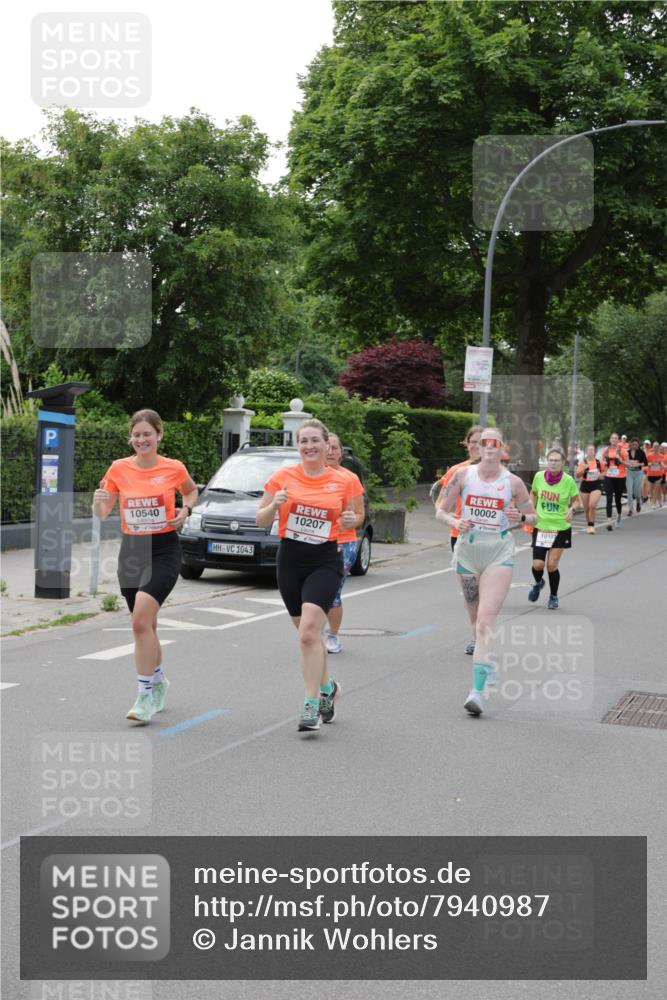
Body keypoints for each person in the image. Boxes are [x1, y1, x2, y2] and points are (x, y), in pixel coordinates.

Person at [92, 409, 198, 723]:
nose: (141, 440)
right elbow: (102, 511)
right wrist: (98, 500)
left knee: (140, 622)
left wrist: (185, 510)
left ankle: (144, 696)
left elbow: (191, 490)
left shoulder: (173, 467)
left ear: (159, 435)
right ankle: (159, 679)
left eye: (147, 434)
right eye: (136, 435)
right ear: (131, 438)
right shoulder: (118, 468)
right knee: (146, 626)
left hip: (164, 550)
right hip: (132, 551)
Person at [256, 419, 360, 733]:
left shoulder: (344, 480)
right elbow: (261, 520)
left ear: (327, 445)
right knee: (309, 637)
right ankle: (328, 688)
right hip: (290, 560)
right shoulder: (282, 477)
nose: (310, 446)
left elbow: (356, 516)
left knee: (308, 634)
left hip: (324, 559)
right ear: (297, 445)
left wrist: (350, 519)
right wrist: (274, 505)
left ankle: (310, 706)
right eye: (304, 441)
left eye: (315, 441)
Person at [435, 427, 536, 717]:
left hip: (498, 552)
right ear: (477, 448)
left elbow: (534, 516)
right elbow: (440, 510)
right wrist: (455, 521)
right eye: (484, 443)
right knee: (474, 617)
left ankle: (477, 692)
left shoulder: (513, 482)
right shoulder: (463, 476)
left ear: (503, 449)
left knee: (485, 621)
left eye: (495, 443)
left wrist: (521, 516)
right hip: (467, 551)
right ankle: (486, 659)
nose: (489, 446)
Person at [434, 425, 482, 654]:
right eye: (473, 442)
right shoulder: (457, 471)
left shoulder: (499, 472)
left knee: (486, 592)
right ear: (467, 444)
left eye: (482, 442)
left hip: (491, 540)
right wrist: (453, 519)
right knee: (471, 592)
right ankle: (476, 637)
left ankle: (484, 633)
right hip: (461, 537)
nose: (477, 446)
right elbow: (440, 503)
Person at [323, 432, 365, 654]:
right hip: (314, 542)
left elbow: (360, 515)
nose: (330, 451)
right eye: (327, 446)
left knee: (332, 592)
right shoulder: (309, 476)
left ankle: (332, 635)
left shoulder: (350, 479)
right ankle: (312, 630)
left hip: (343, 543)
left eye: (335, 447)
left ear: (341, 453)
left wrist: (352, 520)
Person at [528, 448, 580, 610]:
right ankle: (538, 583)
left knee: (551, 565)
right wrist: (531, 509)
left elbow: (576, 500)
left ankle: (553, 596)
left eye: (557, 460)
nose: (553, 463)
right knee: (537, 565)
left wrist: (572, 509)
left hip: (560, 528)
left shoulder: (568, 480)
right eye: (551, 460)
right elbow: (533, 493)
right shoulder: (539, 477)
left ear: (562, 463)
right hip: (541, 526)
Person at [600, 433, 628, 531]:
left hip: (620, 477)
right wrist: (603, 465)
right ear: (610, 440)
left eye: (616, 438)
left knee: (617, 499)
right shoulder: (606, 451)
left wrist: (621, 460)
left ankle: (619, 515)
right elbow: (602, 464)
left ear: (618, 440)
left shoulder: (623, 451)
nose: (614, 440)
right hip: (608, 476)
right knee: (609, 498)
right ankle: (609, 522)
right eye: (612, 438)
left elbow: (628, 464)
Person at [576, 445, 604, 533]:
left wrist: (601, 475)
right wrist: (584, 469)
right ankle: (589, 524)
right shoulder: (582, 462)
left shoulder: (599, 462)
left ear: (594, 452)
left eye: (592, 450)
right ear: (586, 452)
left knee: (592, 505)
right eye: (589, 450)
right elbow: (577, 475)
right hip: (585, 485)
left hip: (596, 484)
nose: (591, 451)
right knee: (587, 509)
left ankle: (591, 525)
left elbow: (605, 471)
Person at [624, 437, 647, 516]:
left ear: (638, 445)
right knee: (629, 492)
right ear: (630, 444)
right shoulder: (627, 452)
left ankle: (638, 502)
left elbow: (645, 463)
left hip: (638, 473)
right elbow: (623, 461)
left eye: (636, 444)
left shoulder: (641, 452)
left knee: (636, 492)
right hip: (629, 472)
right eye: (633, 444)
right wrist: (627, 464)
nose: (634, 446)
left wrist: (638, 464)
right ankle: (630, 509)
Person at [644, 441, 663, 508]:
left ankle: (654, 503)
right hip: (650, 475)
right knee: (651, 490)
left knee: (656, 489)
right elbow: (645, 464)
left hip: (658, 475)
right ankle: (652, 500)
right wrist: (651, 464)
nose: (656, 448)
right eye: (655, 446)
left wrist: (663, 466)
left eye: (657, 446)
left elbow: (662, 464)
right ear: (653, 447)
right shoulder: (649, 455)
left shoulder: (661, 456)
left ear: (659, 447)